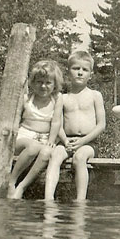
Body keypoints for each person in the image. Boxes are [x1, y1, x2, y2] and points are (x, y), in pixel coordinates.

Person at [45, 51, 106, 201]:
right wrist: (65, 140)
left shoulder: (95, 95)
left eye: (84, 70)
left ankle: (80, 200)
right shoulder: (62, 97)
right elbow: (57, 123)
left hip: (88, 142)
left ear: (90, 74)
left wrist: (83, 141)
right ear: (68, 71)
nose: (80, 73)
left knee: (80, 157)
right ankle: (48, 198)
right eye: (76, 68)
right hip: (67, 140)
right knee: (55, 155)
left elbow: (101, 125)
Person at [7, 59, 64, 199]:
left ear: (55, 84)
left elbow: (56, 122)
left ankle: (22, 186)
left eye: (48, 83)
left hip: (45, 137)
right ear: (33, 82)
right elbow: (15, 119)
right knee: (33, 147)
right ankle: (11, 181)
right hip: (24, 136)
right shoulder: (27, 98)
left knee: (46, 152)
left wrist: (51, 140)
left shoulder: (56, 98)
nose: (43, 86)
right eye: (39, 82)